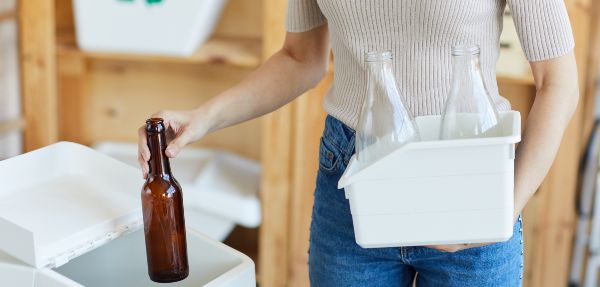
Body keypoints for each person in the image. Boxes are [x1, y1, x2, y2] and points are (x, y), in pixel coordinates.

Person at [138, 1, 578, 286]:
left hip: (466, 181)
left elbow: (559, 83)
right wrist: (202, 118)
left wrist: (498, 214)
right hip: (353, 182)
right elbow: (300, 58)